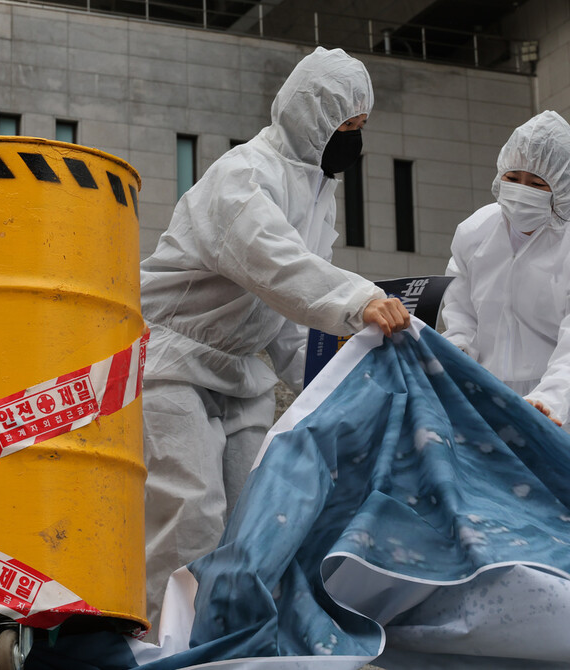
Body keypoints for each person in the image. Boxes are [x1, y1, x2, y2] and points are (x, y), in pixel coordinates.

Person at [139, 46, 411, 633]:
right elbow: (276, 266)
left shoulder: (318, 194)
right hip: (169, 360)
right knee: (191, 507)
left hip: (238, 371)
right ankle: (147, 641)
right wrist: (357, 299)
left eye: (362, 129)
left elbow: (288, 318)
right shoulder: (241, 176)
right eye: (346, 128)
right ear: (311, 117)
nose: (354, 142)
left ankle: (217, 639)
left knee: (251, 523)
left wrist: (332, 383)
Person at [440, 110, 570, 479]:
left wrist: (551, 400)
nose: (520, 191)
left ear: (563, 186)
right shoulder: (477, 233)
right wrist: (456, 349)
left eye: (536, 183)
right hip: (489, 415)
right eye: (513, 178)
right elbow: (460, 307)